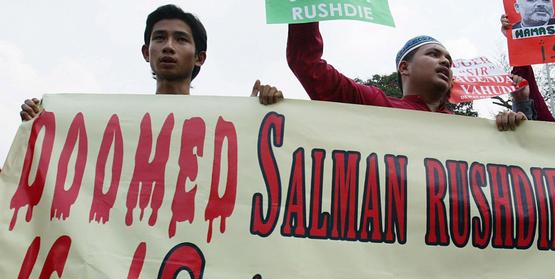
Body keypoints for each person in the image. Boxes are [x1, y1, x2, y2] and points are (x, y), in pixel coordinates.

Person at [19, 4, 283, 121]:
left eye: (180, 39)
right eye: (160, 38)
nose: (168, 46)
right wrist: (42, 123)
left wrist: (257, 116)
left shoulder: (222, 123)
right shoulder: (119, 121)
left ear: (200, 57)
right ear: (146, 52)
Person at [287, 22, 454, 113]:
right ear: (404, 68)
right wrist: (307, 7)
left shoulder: (468, 130)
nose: (445, 62)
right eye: (433, 54)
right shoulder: (376, 104)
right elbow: (307, 65)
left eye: (448, 59)